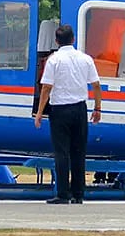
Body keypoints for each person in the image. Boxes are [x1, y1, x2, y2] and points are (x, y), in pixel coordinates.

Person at [33, 24, 102, 204]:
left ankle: (63, 193)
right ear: (73, 39)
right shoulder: (85, 59)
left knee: (62, 153)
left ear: (56, 41)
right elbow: (96, 85)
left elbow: (47, 87)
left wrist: (40, 112)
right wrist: (97, 108)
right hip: (80, 109)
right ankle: (78, 193)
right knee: (79, 152)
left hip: (60, 110)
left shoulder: (54, 60)